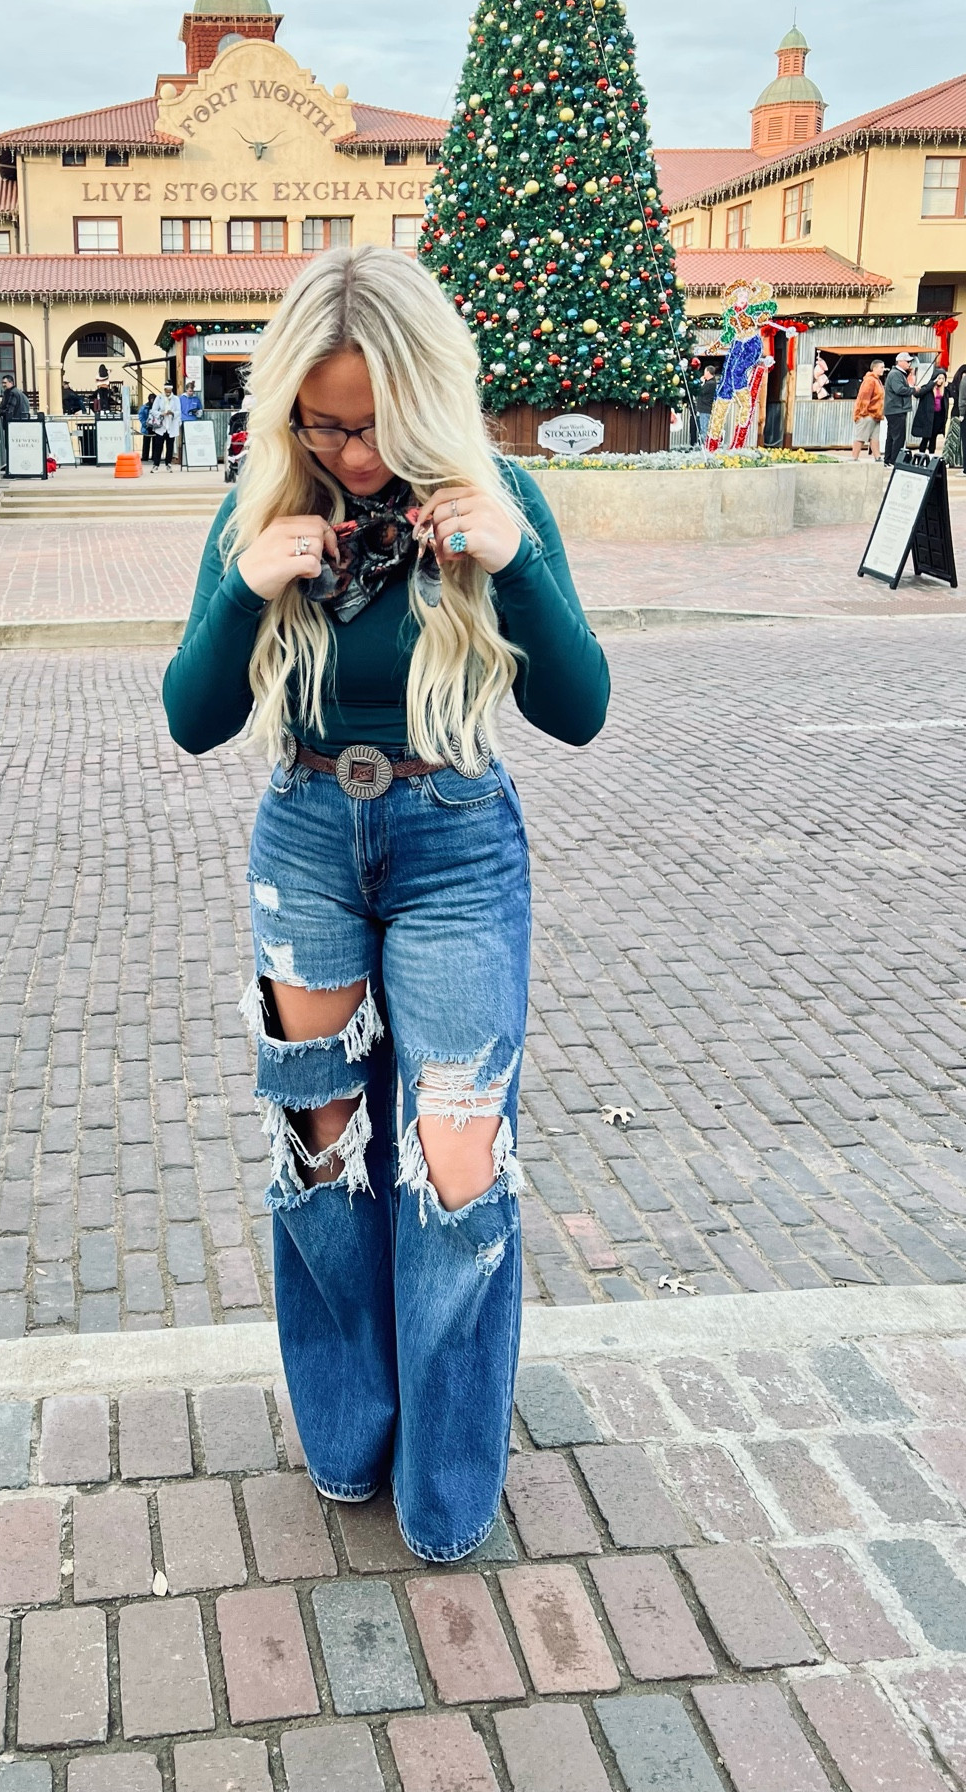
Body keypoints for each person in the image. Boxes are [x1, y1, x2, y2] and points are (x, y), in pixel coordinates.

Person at [162, 245, 608, 1561]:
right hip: (307, 838)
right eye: (321, 419)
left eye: (368, 422)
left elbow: (578, 710)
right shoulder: (261, 514)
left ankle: (449, 1472)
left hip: (458, 837)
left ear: (422, 398)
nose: (349, 452)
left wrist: (515, 560)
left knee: (457, 1166)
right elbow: (194, 721)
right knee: (323, 1153)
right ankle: (349, 1431)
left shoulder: (495, 499)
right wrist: (247, 589)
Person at [882, 353, 917, 467]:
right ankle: (894, 460)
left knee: (892, 436)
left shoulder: (897, 374)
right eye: (907, 361)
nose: (909, 364)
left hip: (895, 409)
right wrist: (913, 390)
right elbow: (899, 390)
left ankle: (888, 460)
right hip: (896, 409)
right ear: (900, 361)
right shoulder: (896, 374)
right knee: (898, 437)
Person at [852, 359, 885, 461]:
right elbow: (864, 397)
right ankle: (854, 457)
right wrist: (862, 413)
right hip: (868, 414)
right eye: (881, 367)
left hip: (876, 415)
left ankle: (877, 456)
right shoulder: (870, 380)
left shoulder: (877, 380)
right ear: (874, 368)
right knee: (861, 436)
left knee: (874, 438)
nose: (883, 369)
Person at [912, 368, 950, 453]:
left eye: (942, 379)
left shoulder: (945, 390)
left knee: (933, 437)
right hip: (927, 416)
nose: (940, 381)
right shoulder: (928, 388)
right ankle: (921, 454)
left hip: (938, 416)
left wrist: (948, 385)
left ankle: (931, 454)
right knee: (925, 437)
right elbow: (918, 394)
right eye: (939, 378)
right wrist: (932, 384)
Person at [149, 386, 179, 470]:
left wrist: (172, 413)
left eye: (170, 392)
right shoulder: (159, 398)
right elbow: (153, 410)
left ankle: (168, 463)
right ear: (164, 390)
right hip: (161, 426)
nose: (168, 393)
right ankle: (156, 464)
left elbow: (179, 411)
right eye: (167, 392)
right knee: (158, 446)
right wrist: (161, 413)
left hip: (171, 426)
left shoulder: (176, 399)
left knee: (170, 446)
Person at [693, 363, 718, 446]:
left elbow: (700, 391)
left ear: (708, 372)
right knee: (702, 427)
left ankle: (705, 446)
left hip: (705, 409)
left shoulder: (710, 384)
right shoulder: (710, 383)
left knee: (704, 429)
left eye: (704, 371)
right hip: (703, 408)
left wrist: (701, 382)